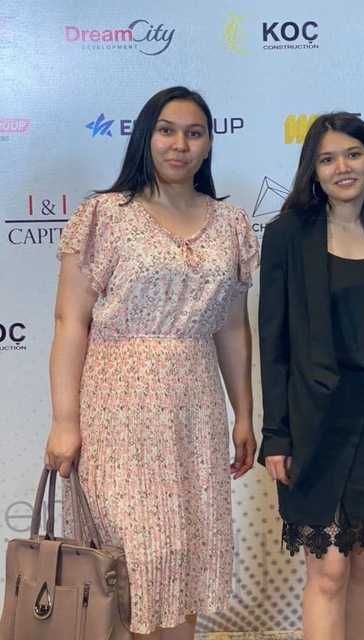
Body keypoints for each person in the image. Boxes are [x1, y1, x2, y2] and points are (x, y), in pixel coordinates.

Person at [44, 86, 259, 640]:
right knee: (133, 558)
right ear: (145, 136)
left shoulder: (231, 223)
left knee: (184, 552)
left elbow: (232, 328)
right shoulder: (103, 216)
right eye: (167, 130)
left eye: (194, 133)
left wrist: (243, 414)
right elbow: (70, 323)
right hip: (117, 411)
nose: (180, 144)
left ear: (209, 144)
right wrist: (64, 420)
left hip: (195, 409)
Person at [258, 112, 364, 640]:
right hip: (314, 422)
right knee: (328, 571)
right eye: (328, 159)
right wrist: (276, 434)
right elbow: (274, 343)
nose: (342, 167)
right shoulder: (287, 235)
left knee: (362, 562)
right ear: (313, 171)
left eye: (353, 154)